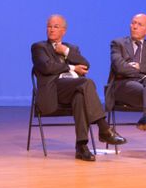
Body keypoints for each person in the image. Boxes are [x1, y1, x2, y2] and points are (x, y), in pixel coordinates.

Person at [31, 14, 126, 161]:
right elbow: (46, 67)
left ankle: (81, 146)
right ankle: (103, 128)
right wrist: (71, 67)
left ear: (64, 31)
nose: (51, 30)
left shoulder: (72, 48)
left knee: (80, 96)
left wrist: (66, 52)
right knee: (86, 83)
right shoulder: (39, 47)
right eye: (49, 26)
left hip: (73, 88)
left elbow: (86, 65)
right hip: (53, 90)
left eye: (55, 27)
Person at [106, 13, 146, 161]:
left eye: (139, 24)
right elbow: (120, 68)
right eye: (133, 23)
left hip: (145, 85)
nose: (134, 26)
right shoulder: (118, 43)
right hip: (122, 86)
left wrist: (139, 66)